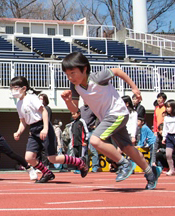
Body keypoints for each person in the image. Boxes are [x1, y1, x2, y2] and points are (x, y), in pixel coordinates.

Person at [61, 52, 161, 190]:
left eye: (73, 73)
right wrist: (67, 101)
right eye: (67, 74)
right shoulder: (75, 87)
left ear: (84, 69)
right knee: (127, 147)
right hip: (108, 118)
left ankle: (123, 163)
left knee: (95, 140)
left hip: (117, 113)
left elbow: (118, 71)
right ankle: (151, 172)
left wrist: (134, 87)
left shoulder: (97, 77)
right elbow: (75, 110)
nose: (70, 77)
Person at [10, 76, 88, 184]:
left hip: (43, 125)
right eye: (11, 88)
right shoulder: (18, 103)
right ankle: (47, 172)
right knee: (29, 157)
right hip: (33, 130)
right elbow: (23, 121)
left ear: (24, 88)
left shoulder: (31, 98)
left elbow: (44, 112)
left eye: (15, 88)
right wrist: (18, 132)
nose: (13, 90)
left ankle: (80, 161)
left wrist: (45, 128)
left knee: (53, 158)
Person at [80, 104, 100, 172]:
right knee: (84, 151)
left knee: (92, 149)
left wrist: (96, 125)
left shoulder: (93, 108)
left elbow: (99, 116)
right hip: (83, 132)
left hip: (91, 131)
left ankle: (95, 166)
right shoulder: (81, 109)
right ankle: (85, 167)